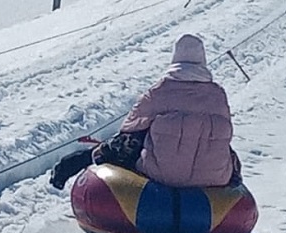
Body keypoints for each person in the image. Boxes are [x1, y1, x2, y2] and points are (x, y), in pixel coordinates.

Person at [50, 34, 241, 190]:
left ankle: (72, 165)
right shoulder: (218, 95)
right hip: (214, 177)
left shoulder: (160, 91)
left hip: (161, 175)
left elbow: (128, 133)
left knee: (133, 142)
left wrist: (93, 154)